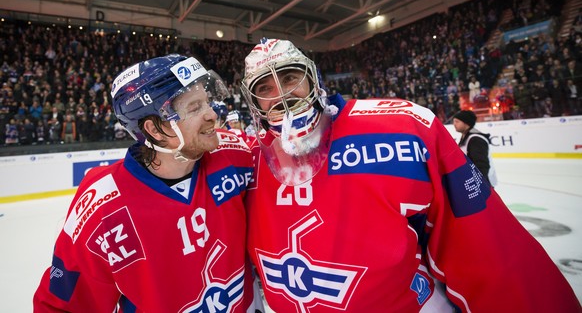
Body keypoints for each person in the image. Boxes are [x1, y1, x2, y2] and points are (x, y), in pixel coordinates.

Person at [240, 38, 580, 312]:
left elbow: (488, 248)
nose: (282, 94)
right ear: (253, 100)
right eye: (265, 87)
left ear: (311, 77)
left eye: (289, 77)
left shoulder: (403, 128)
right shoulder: (247, 161)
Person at [34, 54, 262, 312]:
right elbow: (64, 306)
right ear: (155, 130)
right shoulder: (103, 206)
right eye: (195, 107)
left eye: (207, 102)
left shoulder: (235, 154)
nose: (212, 114)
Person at [452, 109, 498, 187]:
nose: (454, 124)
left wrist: (480, 185)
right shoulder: (466, 137)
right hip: (473, 181)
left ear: (466, 123)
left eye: (457, 122)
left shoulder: (476, 139)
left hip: (483, 184)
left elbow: (481, 164)